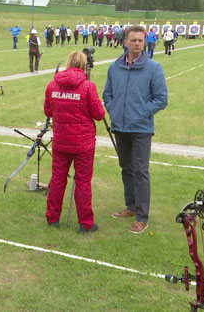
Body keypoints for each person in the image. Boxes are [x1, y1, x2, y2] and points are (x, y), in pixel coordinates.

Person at [103, 25, 168, 234]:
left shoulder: (154, 68)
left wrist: (139, 113)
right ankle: (131, 207)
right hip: (120, 127)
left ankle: (142, 216)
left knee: (141, 171)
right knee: (126, 168)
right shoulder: (114, 67)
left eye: (141, 40)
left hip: (141, 128)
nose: (137, 43)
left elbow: (161, 100)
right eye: (133, 40)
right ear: (125, 42)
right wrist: (113, 110)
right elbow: (107, 94)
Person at [44, 51, 105, 232]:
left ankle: (52, 218)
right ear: (85, 65)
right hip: (83, 143)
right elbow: (99, 115)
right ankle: (85, 224)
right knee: (83, 182)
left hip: (61, 141)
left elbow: (48, 111)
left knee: (57, 179)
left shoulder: (52, 85)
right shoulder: (88, 86)